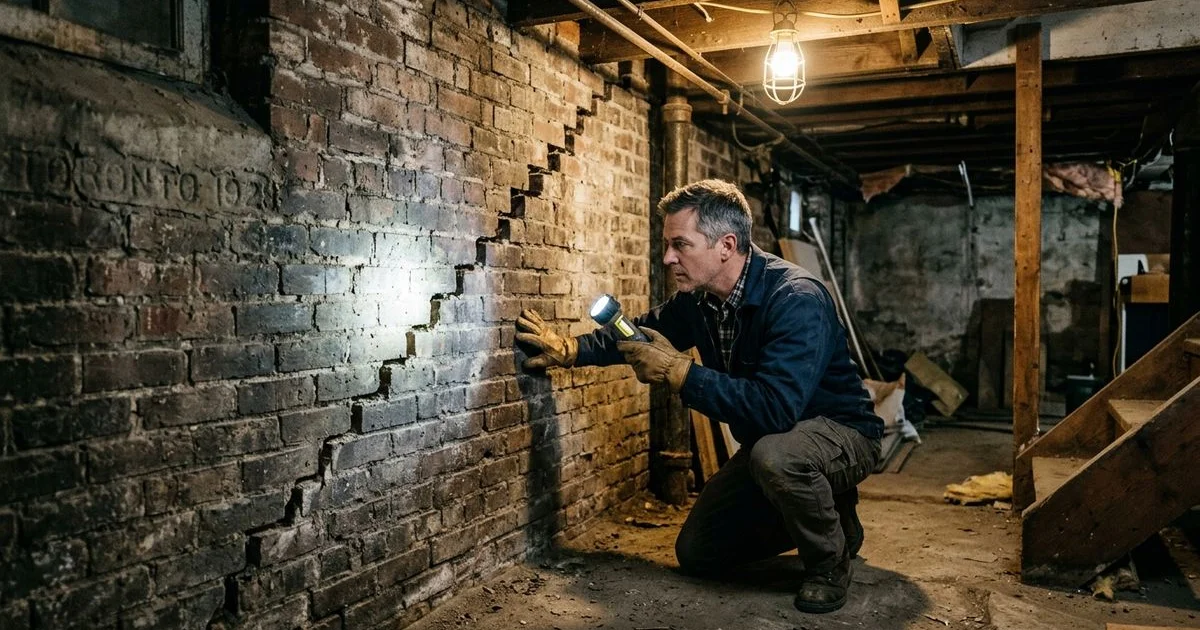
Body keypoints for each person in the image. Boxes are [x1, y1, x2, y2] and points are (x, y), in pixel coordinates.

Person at [514, 179, 883, 613]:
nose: (668, 258)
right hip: (774, 442)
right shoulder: (700, 301)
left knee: (779, 458)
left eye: (680, 245)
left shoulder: (795, 299)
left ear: (726, 245)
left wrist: (679, 372)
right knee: (699, 552)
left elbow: (775, 409)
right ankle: (834, 518)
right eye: (668, 245)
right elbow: (641, 333)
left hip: (841, 434)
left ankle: (829, 562)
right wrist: (574, 350)